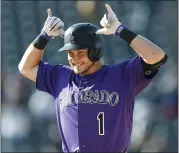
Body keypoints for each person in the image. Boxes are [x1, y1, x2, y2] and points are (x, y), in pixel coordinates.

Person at [18, 4, 167, 153]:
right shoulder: (60, 77)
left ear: (96, 51)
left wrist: (121, 31)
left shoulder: (122, 75)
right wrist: (44, 36)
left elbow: (156, 56)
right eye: (70, 53)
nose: (74, 59)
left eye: (80, 53)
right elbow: (25, 68)